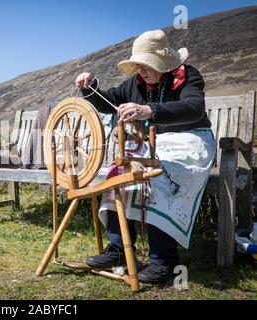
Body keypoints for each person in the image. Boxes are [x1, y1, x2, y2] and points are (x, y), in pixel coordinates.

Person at [74, 29, 216, 284]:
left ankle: (164, 262)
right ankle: (119, 250)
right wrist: (90, 88)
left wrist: (149, 110)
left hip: (190, 142)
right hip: (155, 145)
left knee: (155, 178)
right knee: (120, 174)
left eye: (147, 65)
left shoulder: (187, 77)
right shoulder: (136, 83)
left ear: (164, 64)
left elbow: (194, 108)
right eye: (138, 65)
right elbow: (109, 103)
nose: (142, 70)